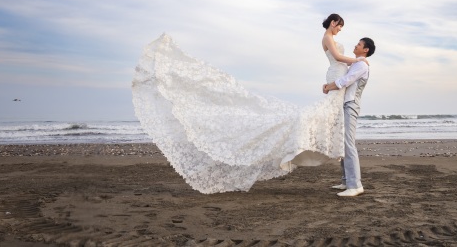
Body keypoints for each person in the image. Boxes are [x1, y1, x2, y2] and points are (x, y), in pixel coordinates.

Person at [131, 14, 367, 194]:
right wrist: (356, 59)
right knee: (321, 121)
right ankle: (342, 174)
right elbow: (337, 58)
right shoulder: (328, 38)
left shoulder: (337, 43)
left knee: (337, 127)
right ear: (332, 22)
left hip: (337, 82)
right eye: (338, 25)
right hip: (335, 78)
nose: (339, 29)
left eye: (341, 27)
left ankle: (347, 179)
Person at [323, 36, 376, 197]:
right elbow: (338, 61)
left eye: (359, 44)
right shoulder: (356, 62)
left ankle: (355, 185)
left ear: (365, 49)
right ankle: (346, 181)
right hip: (345, 104)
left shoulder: (361, 65)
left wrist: (329, 87)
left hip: (351, 105)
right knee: (343, 142)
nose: (355, 45)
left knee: (348, 143)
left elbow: (346, 80)